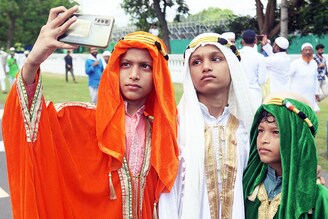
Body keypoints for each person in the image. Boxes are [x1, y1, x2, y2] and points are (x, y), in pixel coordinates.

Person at [2, 5, 178, 219]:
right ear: (114, 68)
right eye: (126, 64)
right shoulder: (80, 119)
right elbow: (28, 121)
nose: (134, 74)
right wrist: (33, 62)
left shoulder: (167, 130)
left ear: (159, 74)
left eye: (145, 66)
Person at [159, 33, 255, 218]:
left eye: (216, 59)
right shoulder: (176, 127)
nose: (206, 67)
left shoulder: (249, 130)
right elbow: (167, 195)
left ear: (231, 66)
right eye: (196, 62)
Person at [243, 94, 328, 218]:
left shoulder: (316, 196)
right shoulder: (249, 183)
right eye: (260, 130)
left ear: (297, 138)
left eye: (276, 132)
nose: (263, 140)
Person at [239, 29, 267, 109]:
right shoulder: (260, 57)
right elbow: (262, 81)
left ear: (242, 41)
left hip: (239, 92)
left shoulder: (236, 55)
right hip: (254, 93)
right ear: (255, 41)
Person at [289, 43, 320, 112]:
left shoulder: (314, 63)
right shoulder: (295, 63)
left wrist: (316, 92)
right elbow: (288, 77)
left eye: (310, 50)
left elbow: (315, 79)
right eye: (306, 50)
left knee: (310, 113)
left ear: (312, 52)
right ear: (301, 52)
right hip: (298, 94)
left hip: (310, 95)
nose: (308, 52)